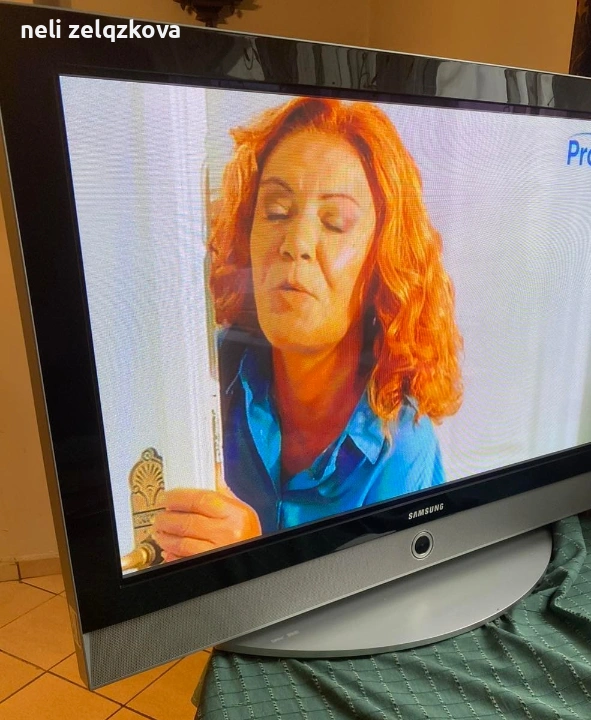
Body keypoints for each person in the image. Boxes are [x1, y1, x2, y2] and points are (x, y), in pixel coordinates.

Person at [153, 96, 463, 563]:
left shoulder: (403, 448)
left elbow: (397, 598)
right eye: (276, 211)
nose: (295, 243)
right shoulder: (201, 376)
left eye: (335, 222)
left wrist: (252, 558)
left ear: (381, 263)